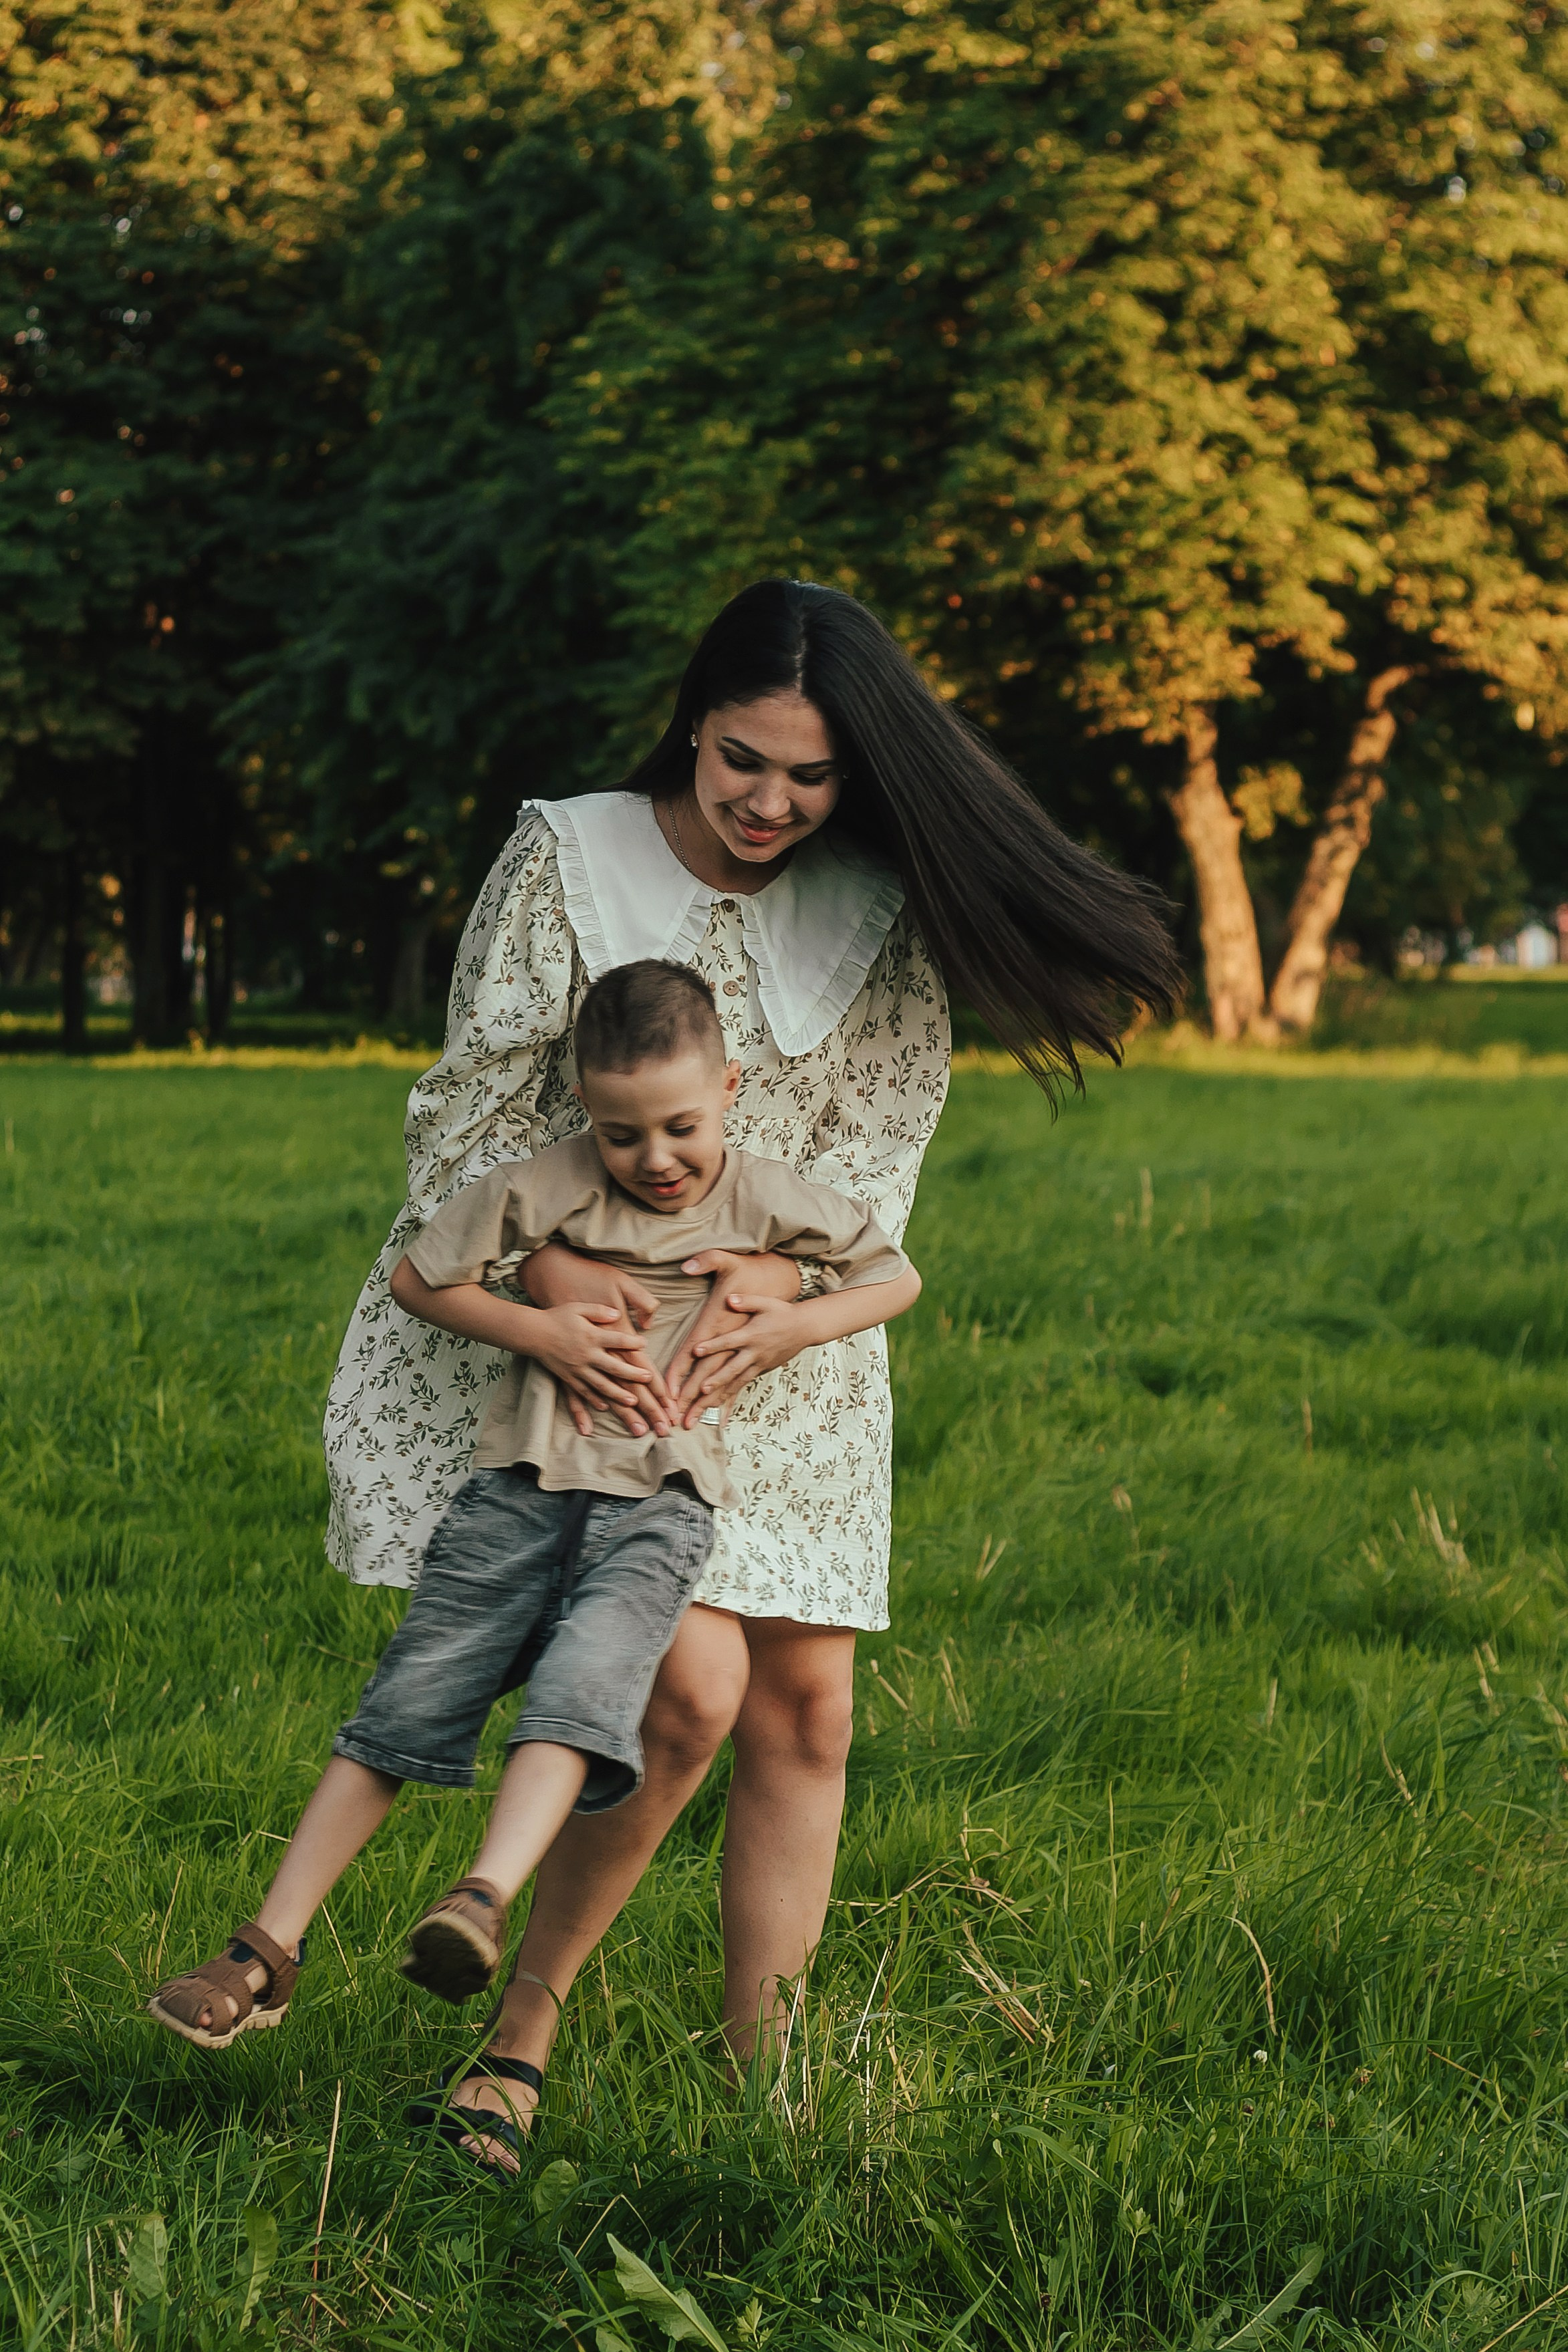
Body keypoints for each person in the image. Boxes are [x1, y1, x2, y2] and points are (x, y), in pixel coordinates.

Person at [323, 577, 1181, 2164]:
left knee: (805, 1704)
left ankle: (763, 2089)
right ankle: (519, 2037)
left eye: (812, 774)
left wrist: (790, 1285)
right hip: (592, 1354)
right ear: (692, 724)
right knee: (693, 1683)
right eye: (742, 762)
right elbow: (472, 1108)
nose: (773, 802)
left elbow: (879, 1143)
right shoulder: (569, 854)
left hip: (788, 1351)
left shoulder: (875, 900)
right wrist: (568, 1277)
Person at [146, 960, 919, 2129]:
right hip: (516, 1488)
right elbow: (420, 1273)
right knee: (411, 1701)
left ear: (731, 1088)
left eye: (681, 1126)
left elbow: (892, 1273)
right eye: (621, 1132)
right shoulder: (546, 1186)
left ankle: (482, 1897)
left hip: (658, 1502)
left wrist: (794, 1318)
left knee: (585, 1694)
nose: (655, 1157)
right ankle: (263, 1950)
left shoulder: (762, 1197)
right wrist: (539, 1322)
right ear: (582, 1107)